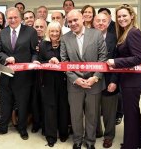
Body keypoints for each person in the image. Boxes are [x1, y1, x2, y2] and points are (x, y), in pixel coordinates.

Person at [0, 7, 38, 140]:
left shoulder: (31, 32)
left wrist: (34, 62)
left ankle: (22, 128)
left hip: (24, 76)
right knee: (5, 103)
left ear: (20, 18)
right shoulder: (2, 33)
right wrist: (5, 58)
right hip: (6, 75)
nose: (13, 20)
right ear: (6, 19)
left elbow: (34, 52)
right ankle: (2, 127)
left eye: (15, 17)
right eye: (10, 18)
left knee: (22, 104)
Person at [60, 9, 107, 149]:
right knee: (76, 115)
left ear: (82, 19)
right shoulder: (65, 38)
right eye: (70, 21)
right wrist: (75, 79)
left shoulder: (96, 34)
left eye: (75, 20)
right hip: (74, 84)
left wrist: (95, 77)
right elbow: (64, 61)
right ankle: (77, 140)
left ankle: (90, 141)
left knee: (92, 115)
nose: (73, 23)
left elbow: (102, 58)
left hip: (94, 83)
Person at [107, 4, 141, 149]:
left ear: (132, 16)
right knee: (133, 112)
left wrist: (115, 62)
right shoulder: (126, 32)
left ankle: (130, 145)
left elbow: (138, 58)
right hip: (129, 79)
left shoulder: (133, 32)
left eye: (124, 15)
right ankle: (136, 142)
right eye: (119, 16)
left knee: (130, 114)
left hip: (133, 80)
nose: (121, 19)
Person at [38, 21, 69, 147]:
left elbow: (69, 60)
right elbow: (40, 61)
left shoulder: (64, 44)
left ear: (60, 32)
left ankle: (63, 133)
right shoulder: (43, 45)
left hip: (63, 81)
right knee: (50, 108)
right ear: (48, 32)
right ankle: (50, 136)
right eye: (52, 31)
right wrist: (48, 61)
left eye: (57, 31)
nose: (54, 34)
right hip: (48, 81)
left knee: (63, 107)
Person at [93, 13, 118, 148]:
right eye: (98, 21)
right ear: (93, 23)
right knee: (93, 109)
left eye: (104, 21)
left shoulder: (115, 39)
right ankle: (97, 131)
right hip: (92, 80)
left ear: (109, 23)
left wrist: (114, 81)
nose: (101, 23)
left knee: (109, 111)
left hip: (109, 80)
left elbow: (118, 60)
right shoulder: (88, 37)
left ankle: (109, 136)